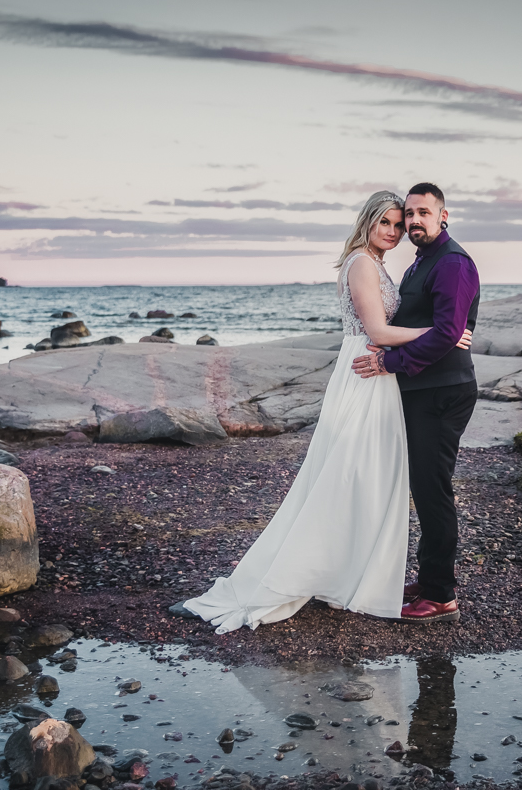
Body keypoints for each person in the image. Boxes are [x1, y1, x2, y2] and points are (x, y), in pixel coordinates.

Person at [178, 190, 472, 633]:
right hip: (366, 373)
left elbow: (396, 327)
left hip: (388, 377)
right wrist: (440, 333)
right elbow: (378, 330)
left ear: (440, 216)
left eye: (403, 221)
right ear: (368, 222)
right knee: (347, 474)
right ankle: (324, 571)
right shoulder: (363, 263)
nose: (396, 230)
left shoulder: (411, 263)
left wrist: (434, 336)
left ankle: (373, 577)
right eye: (389, 221)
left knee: (372, 478)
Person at [351, 182, 479, 624]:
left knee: (432, 489)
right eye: (409, 214)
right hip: (422, 389)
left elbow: (447, 334)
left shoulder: (453, 263)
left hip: (443, 391)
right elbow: (426, 325)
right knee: (423, 488)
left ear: (443, 216)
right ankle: (428, 579)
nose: (413, 221)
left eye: (424, 212)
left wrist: (389, 362)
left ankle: (441, 594)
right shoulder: (421, 263)